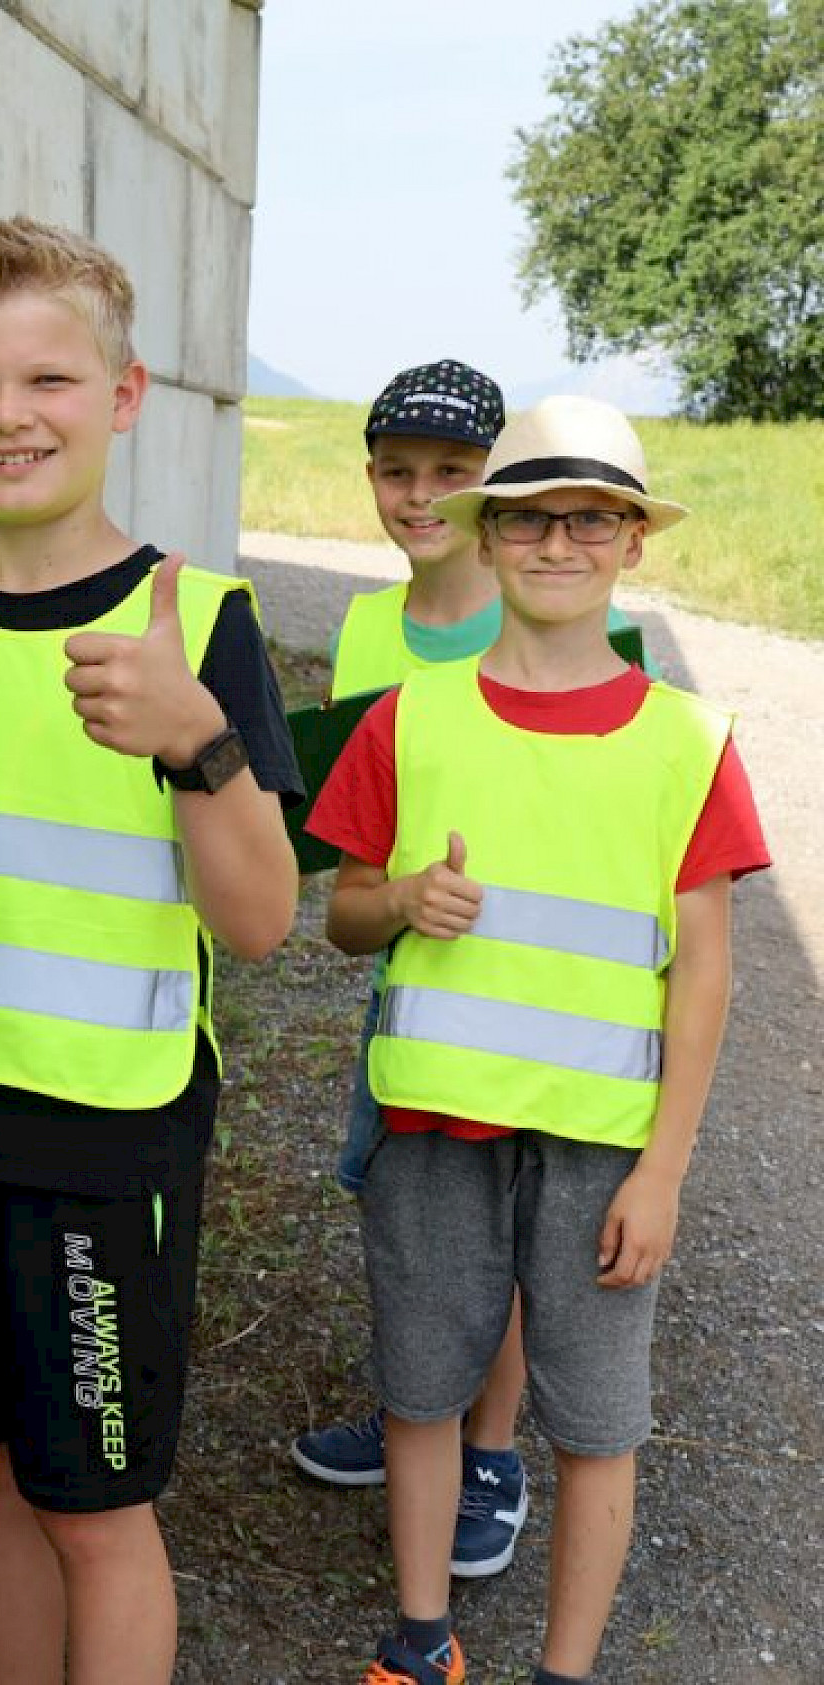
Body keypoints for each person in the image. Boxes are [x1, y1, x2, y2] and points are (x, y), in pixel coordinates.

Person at [0, 215, 302, 1681]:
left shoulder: (201, 623)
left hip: (104, 1151)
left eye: (51, 381)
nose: (12, 417)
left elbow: (259, 922)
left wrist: (198, 745)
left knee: (97, 1514)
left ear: (123, 397)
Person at [308, 396, 768, 1685]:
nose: (555, 542)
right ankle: (418, 1639)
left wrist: (663, 1169)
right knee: (416, 1393)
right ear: (488, 533)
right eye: (526, 517)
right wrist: (397, 901)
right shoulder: (411, 717)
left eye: (588, 519)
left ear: (631, 542)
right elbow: (341, 912)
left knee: (597, 1425)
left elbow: (705, 976)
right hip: (429, 1132)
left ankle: (563, 1670)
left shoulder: (685, 741)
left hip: (598, 1154)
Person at [292, 361, 535, 1578]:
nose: (420, 494)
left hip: (524, 977)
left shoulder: (541, 607)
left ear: (494, 482)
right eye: (397, 471)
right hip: (408, 961)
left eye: (451, 472)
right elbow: (352, 823)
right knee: (408, 1203)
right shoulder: (363, 624)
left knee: (499, 1214)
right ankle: (417, 1415)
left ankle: (487, 1449)